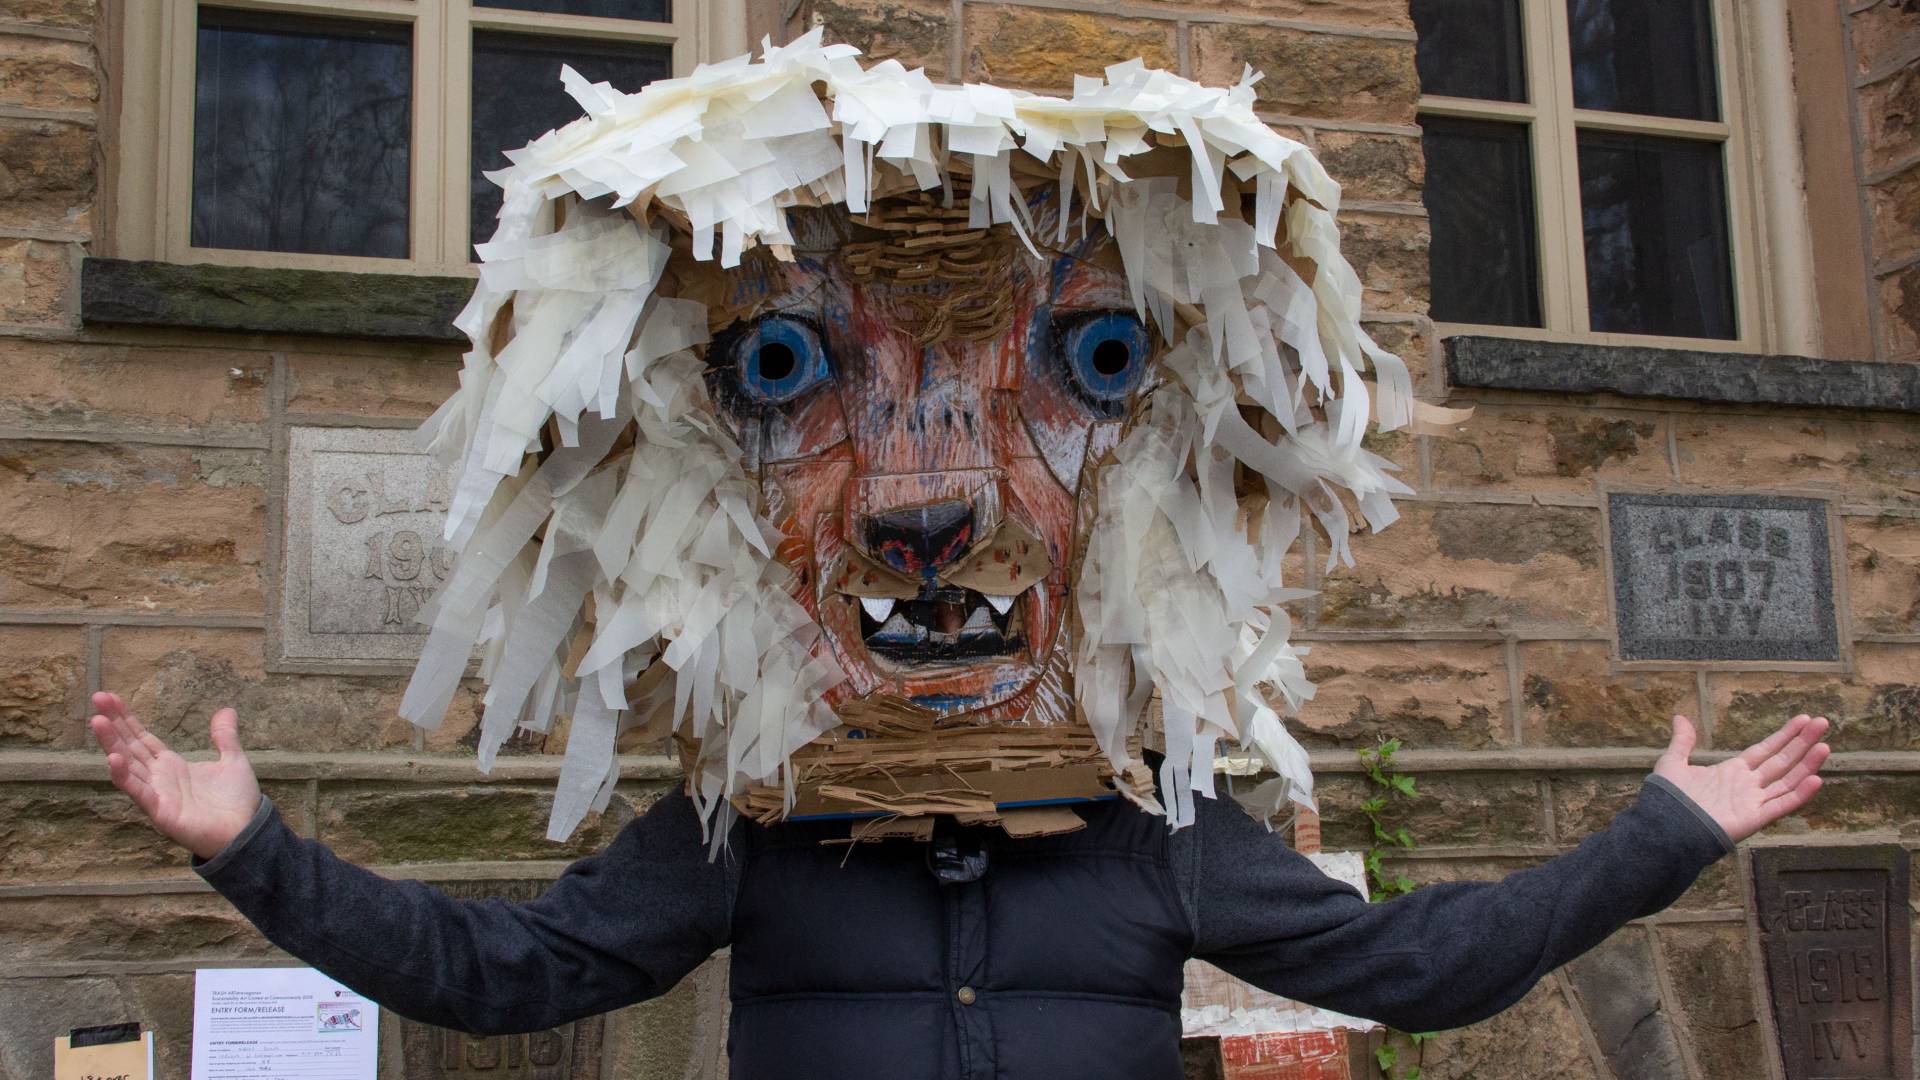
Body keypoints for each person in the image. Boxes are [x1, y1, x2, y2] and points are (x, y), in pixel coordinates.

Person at [89, 690, 1830, 1078]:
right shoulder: (741, 826)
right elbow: (503, 968)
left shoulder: (1156, 821)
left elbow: (1412, 963)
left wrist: (1655, 836)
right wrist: (255, 851)